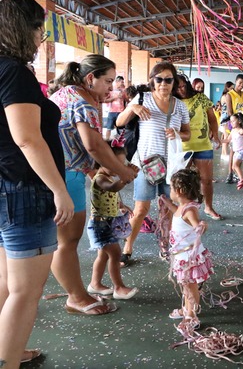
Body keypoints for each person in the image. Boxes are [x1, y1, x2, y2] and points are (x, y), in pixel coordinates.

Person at [0, 0, 74, 367]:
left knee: (5, 284)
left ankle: (6, 351)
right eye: (38, 28)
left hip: (4, 189)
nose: (41, 36)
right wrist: (59, 190)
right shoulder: (13, 72)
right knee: (26, 292)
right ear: (21, 29)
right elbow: (26, 137)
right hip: (23, 191)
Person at [50, 54, 137, 316]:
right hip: (67, 175)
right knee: (67, 241)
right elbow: (93, 144)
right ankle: (76, 297)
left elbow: (72, 142)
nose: (112, 88)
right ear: (90, 78)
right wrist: (122, 171)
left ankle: (79, 293)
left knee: (61, 241)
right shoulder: (84, 102)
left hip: (59, 171)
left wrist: (95, 172)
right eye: (108, 81)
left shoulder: (66, 93)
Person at [115, 61, 190, 267]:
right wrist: (133, 107)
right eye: (159, 79)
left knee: (168, 207)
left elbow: (187, 134)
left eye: (168, 80)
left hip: (170, 166)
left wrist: (176, 134)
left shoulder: (180, 106)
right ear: (152, 80)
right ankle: (127, 248)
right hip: (144, 164)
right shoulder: (142, 98)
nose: (163, 84)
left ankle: (165, 245)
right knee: (141, 209)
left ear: (174, 82)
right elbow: (120, 122)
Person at [160, 169, 214, 327]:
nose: (169, 191)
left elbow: (198, 226)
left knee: (190, 287)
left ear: (180, 191)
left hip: (189, 258)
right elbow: (176, 212)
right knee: (186, 286)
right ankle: (186, 309)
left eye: (170, 188)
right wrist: (166, 202)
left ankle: (192, 315)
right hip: (181, 256)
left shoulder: (190, 210)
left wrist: (202, 226)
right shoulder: (182, 206)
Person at [86, 143, 138, 300]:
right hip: (100, 225)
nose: (119, 168)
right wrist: (125, 178)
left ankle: (95, 284)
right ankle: (119, 287)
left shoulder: (107, 176)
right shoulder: (100, 178)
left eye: (121, 165)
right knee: (115, 254)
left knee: (103, 255)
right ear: (102, 161)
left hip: (105, 223)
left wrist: (121, 205)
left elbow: (110, 196)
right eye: (115, 164)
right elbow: (112, 188)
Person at [174, 74, 222, 221]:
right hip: (182, 146)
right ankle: (182, 209)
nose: (181, 90)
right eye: (177, 87)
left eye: (183, 86)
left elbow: (212, 117)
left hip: (202, 144)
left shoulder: (201, 98)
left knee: (206, 179)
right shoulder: (173, 101)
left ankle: (208, 207)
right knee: (181, 180)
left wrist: (215, 133)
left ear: (187, 84)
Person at [222, 74, 243, 183]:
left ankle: (237, 173)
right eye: (239, 82)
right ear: (235, 82)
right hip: (233, 124)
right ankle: (230, 174)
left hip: (242, 125)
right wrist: (235, 125)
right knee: (233, 150)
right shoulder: (229, 95)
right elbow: (230, 112)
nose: (241, 85)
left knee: (240, 149)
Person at [103, 76, 126, 140]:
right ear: (117, 82)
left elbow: (126, 100)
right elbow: (105, 100)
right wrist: (115, 98)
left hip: (121, 112)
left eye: (123, 82)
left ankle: (120, 142)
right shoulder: (111, 90)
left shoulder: (123, 91)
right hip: (112, 111)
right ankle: (107, 141)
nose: (122, 83)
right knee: (109, 128)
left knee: (121, 129)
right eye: (121, 82)